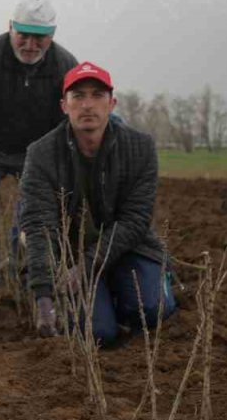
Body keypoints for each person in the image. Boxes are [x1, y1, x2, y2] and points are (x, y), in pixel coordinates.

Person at [20, 62, 176, 345]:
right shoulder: (41, 154)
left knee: (152, 311)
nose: (87, 105)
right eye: (78, 96)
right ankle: (103, 301)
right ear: (64, 105)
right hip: (72, 254)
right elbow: (40, 225)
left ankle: (138, 284)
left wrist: (88, 266)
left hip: (127, 246)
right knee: (98, 334)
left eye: (97, 95)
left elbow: (135, 221)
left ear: (112, 103)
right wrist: (43, 296)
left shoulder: (140, 148)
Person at [0, 0, 78, 315]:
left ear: (52, 35)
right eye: (24, 34)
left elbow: (70, 123)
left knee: (36, 216)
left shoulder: (64, 66)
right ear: (10, 28)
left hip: (37, 152)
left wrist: (57, 168)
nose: (31, 44)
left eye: (40, 37)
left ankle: (20, 265)